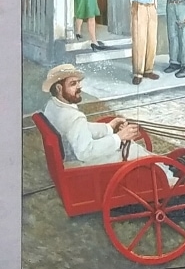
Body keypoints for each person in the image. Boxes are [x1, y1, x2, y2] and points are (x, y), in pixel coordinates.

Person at [41, 64, 176, 185]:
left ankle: (164, 167)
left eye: (78, 83)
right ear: (59, 88)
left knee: (127, 145)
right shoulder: (73, 117)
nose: (79, 87)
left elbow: (81, 130)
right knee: (132, 149)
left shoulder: (53, 106)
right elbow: (86, 153)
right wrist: (119, 137)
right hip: (81, 165)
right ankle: (169, 179)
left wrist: (109, 127)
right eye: (73, 84)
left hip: (69, 160)